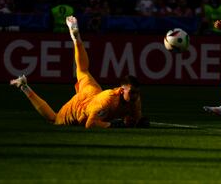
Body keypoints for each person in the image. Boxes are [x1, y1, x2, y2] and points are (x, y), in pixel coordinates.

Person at [10, 16, 149, 128]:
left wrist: (137, 122)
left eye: (136, 92)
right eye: (131, 92)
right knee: (54, 118)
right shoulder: (107, 100)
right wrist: (112, 125)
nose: (135, 96)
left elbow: (133, 119)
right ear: (121, 90)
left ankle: (77, 39)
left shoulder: (135, 100)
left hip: (92, 91)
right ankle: (24, 86)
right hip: (80, 106)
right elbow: (90, 124)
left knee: (82, 70)